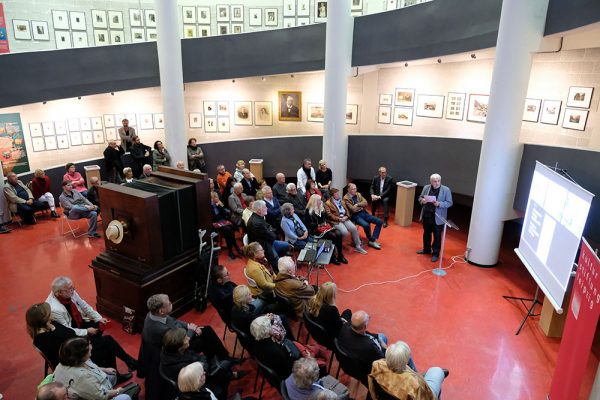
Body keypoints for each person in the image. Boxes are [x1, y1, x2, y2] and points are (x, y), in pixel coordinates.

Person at [26, 302, 135, 376]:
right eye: (49, 312)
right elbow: (66, 354)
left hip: (76, 346)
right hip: (73, 360)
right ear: (43, 318)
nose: (52, 313)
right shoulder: (42, 339)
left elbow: (70, 333)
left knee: (107, 340)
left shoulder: (51, 324)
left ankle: (122, 368)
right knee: (108, 345)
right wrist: (86, 344)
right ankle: (119, 371)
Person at [142, 294, 232, 363]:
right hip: (177, 349)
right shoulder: (160, 329)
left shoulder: (152, 314)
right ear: (161, 311)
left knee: (207, 330)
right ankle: (217, 363)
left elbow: (173, 320)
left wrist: (188, 325)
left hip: (180, 334)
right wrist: (192, 330)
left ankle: (224, 358)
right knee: (203, 341)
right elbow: (179, 341)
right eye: (169, 303)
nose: (171, 303)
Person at [160, 328, 242, 399]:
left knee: (203, 341)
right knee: (225, 366)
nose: (188, 338)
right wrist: (202, 360)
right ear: (179, 347)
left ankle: (230, 374)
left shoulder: (169, 351)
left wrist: (201, 359)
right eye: (185, 338)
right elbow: (203, 369)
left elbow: (198, 358)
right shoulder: (183, 367)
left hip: (196, 370)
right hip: (198, 383)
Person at [338, 311, 416, 383]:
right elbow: (383, 359)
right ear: (364, 327)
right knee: (406, 356)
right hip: (370, 369)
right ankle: (416, 378)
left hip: (351, 363)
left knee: (381, 336)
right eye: (368, 319)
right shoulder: (369, 346)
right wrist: (386, 348)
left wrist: (378, 338)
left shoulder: (345, 327)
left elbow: (367, 335)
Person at [53, 337, 134, 399]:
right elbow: (101, 396)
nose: (91, 346)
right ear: (82, 355)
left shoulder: (69, 360)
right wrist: (117, 391)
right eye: (89, 345)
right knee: (126, 396)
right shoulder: (82, 377)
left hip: (91, 385)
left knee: (113, 375)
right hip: (94, 393)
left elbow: (90, 366)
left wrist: (105, 370)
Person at [368, 341, 448, 400]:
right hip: (421, 393)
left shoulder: (377, 364)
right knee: (436, 370)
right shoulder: (413, 383)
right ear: (405, 362)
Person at [417, 173, 453, 263]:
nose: (437, 183)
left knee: (437, 236)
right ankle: (426, 249)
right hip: (427, 215)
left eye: (438, 181)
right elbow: (420, 197)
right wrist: (422, 201)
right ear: (431, 182)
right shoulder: (426, 187)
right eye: (435, 181)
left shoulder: (446, 190)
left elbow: (449, 202)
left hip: (438, 217)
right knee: (426, 234)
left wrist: (439, 204)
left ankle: (435, 254)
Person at [246, 200, 290, 269]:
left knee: (286, 245)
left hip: (267, 241)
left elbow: (269, 227)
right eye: (265, 207)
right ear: (259, 210)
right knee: (278, 262)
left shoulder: (258, 217)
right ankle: (277, 268)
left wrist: (270, 230)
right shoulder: (257, 223)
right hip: (264, 246)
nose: (267, 208)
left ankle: (279, 259)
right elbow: (273, 236)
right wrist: (271, 231)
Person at [305, 195, 346, 265]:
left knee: (339, 233)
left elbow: (327, 219)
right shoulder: (308, 211)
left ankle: (340, 255)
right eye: (319, 200)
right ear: (314, 201)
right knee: (332, 235)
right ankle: (332, 257)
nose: (321, 202)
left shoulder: (322, 208)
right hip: (316, 230)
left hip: (325, 228)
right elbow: (308, 224)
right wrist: (318, 225)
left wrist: (326, 223)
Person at [325, 188, 367, 255]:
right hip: (336, 220)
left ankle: (358, 246)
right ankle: (337, 246)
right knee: (345, 232)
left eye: (338, 193)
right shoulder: (328, 203)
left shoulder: (341, 201)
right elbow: (329, 215)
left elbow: (347, 210)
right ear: (332, 196)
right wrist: (339, 219)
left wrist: (347, 216)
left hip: (344, 218)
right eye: (336, 194)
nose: (338, 195)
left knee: (354, 228)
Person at [284, 357, 349, 400]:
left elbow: (303, 371)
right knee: (346, 393)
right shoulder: (318, 394)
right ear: (312, 380)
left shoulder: (292, 375)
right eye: (316, 371)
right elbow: (336, 398)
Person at [343, 183, 383, 250]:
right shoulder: (346, 198)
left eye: (356, 188)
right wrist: (361, 207)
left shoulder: (358, 194)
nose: (355, 190)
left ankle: (372, 240)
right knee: (366, 225)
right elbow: (353, 209)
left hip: (363, 213)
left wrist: (358, 204)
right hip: (355, 216)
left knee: (379, 221)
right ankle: (371, 241)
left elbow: (366, 203)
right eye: (353, 189)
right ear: (348, 190)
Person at [210, 192, 241, 259]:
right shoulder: (209, 206)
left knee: (231, 229)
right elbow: (212, 218)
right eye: (215, 197)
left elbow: (225, 213)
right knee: (228, 230)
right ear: (211, 198)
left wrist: (219, 205)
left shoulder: (218, 204)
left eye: (217, 197)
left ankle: (232, 250)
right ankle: (233, 249)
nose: (217, 198)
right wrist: (213, 205)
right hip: (214, 223)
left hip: (222, 221)